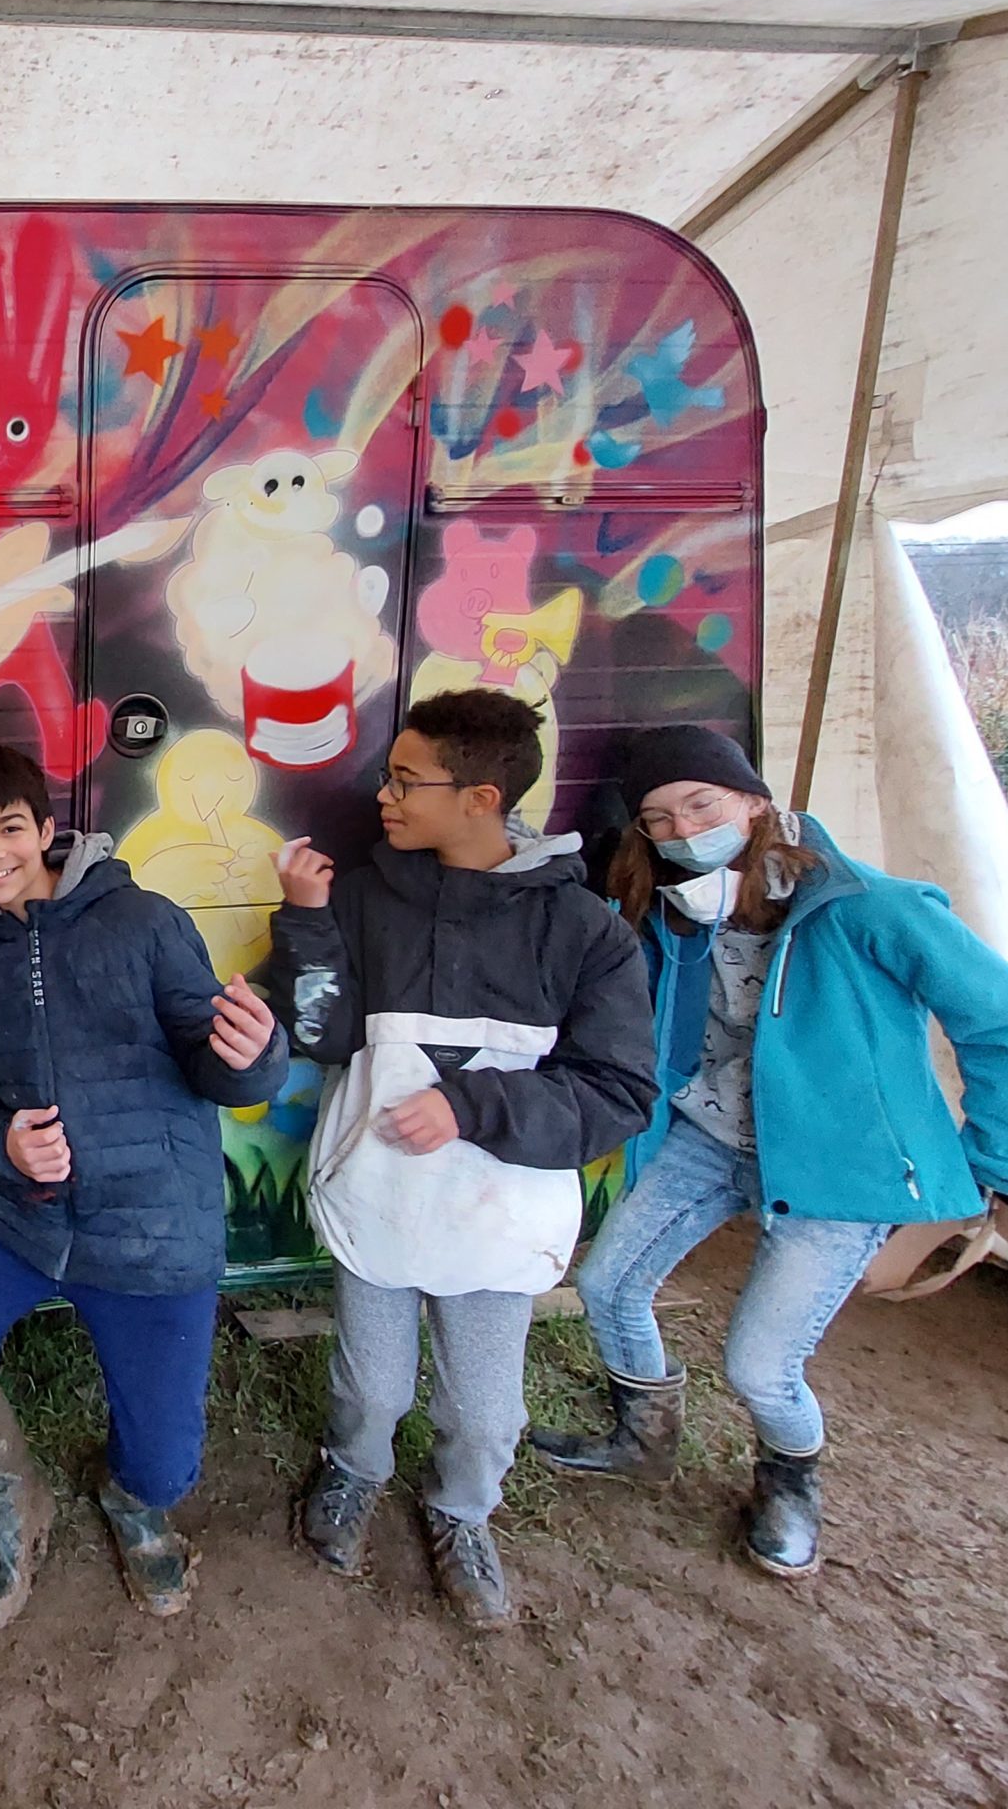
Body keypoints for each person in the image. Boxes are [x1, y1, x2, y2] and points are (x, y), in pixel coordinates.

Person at [528, 725, 1008, 1576]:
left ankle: (789, 1482)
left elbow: (1007, 1025)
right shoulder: (669, 907)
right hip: (710, 1136)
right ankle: (643, 1438)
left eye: (701, 804)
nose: (683, 830)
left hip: (835, 1164)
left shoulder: (867, 906)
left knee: (761, 1365)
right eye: (659, 818)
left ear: (754, 801)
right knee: (606, 1284)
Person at [265, 690, 656, 1629]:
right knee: (372, 1387)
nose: (384, 796)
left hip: (495, 1213)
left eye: (407, 781)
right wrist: (308, 920)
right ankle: (353, 1470)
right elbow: (323, 1034)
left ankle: (463, 1511)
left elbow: (618, 1092)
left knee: (483, 1414)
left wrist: (469, 1106)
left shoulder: (586, 933)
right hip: (381, 1195)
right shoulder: (367, 897)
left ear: (482, 798)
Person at [0, 743, 288, 1628]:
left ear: (47, 830)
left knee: (167, 1468)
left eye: (8, 828)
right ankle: (16, 1498)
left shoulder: (143, 920)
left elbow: (216, 1063)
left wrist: (256, 1058)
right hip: (25, 1221)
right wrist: (4, 1145)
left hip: (154, 1225)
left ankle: (134, 1507)